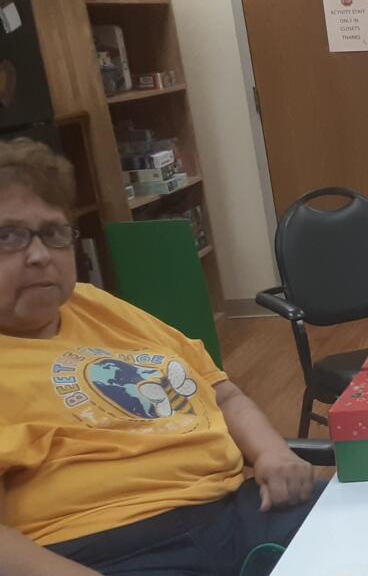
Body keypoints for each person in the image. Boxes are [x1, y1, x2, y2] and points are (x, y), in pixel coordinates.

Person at [0, 139, 320, 575]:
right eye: (8, 236)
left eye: (53, 233)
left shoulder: (95, 305)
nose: (40, 256)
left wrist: (270, 453)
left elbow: (222, 394)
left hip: (238, 512)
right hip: (108, 551)